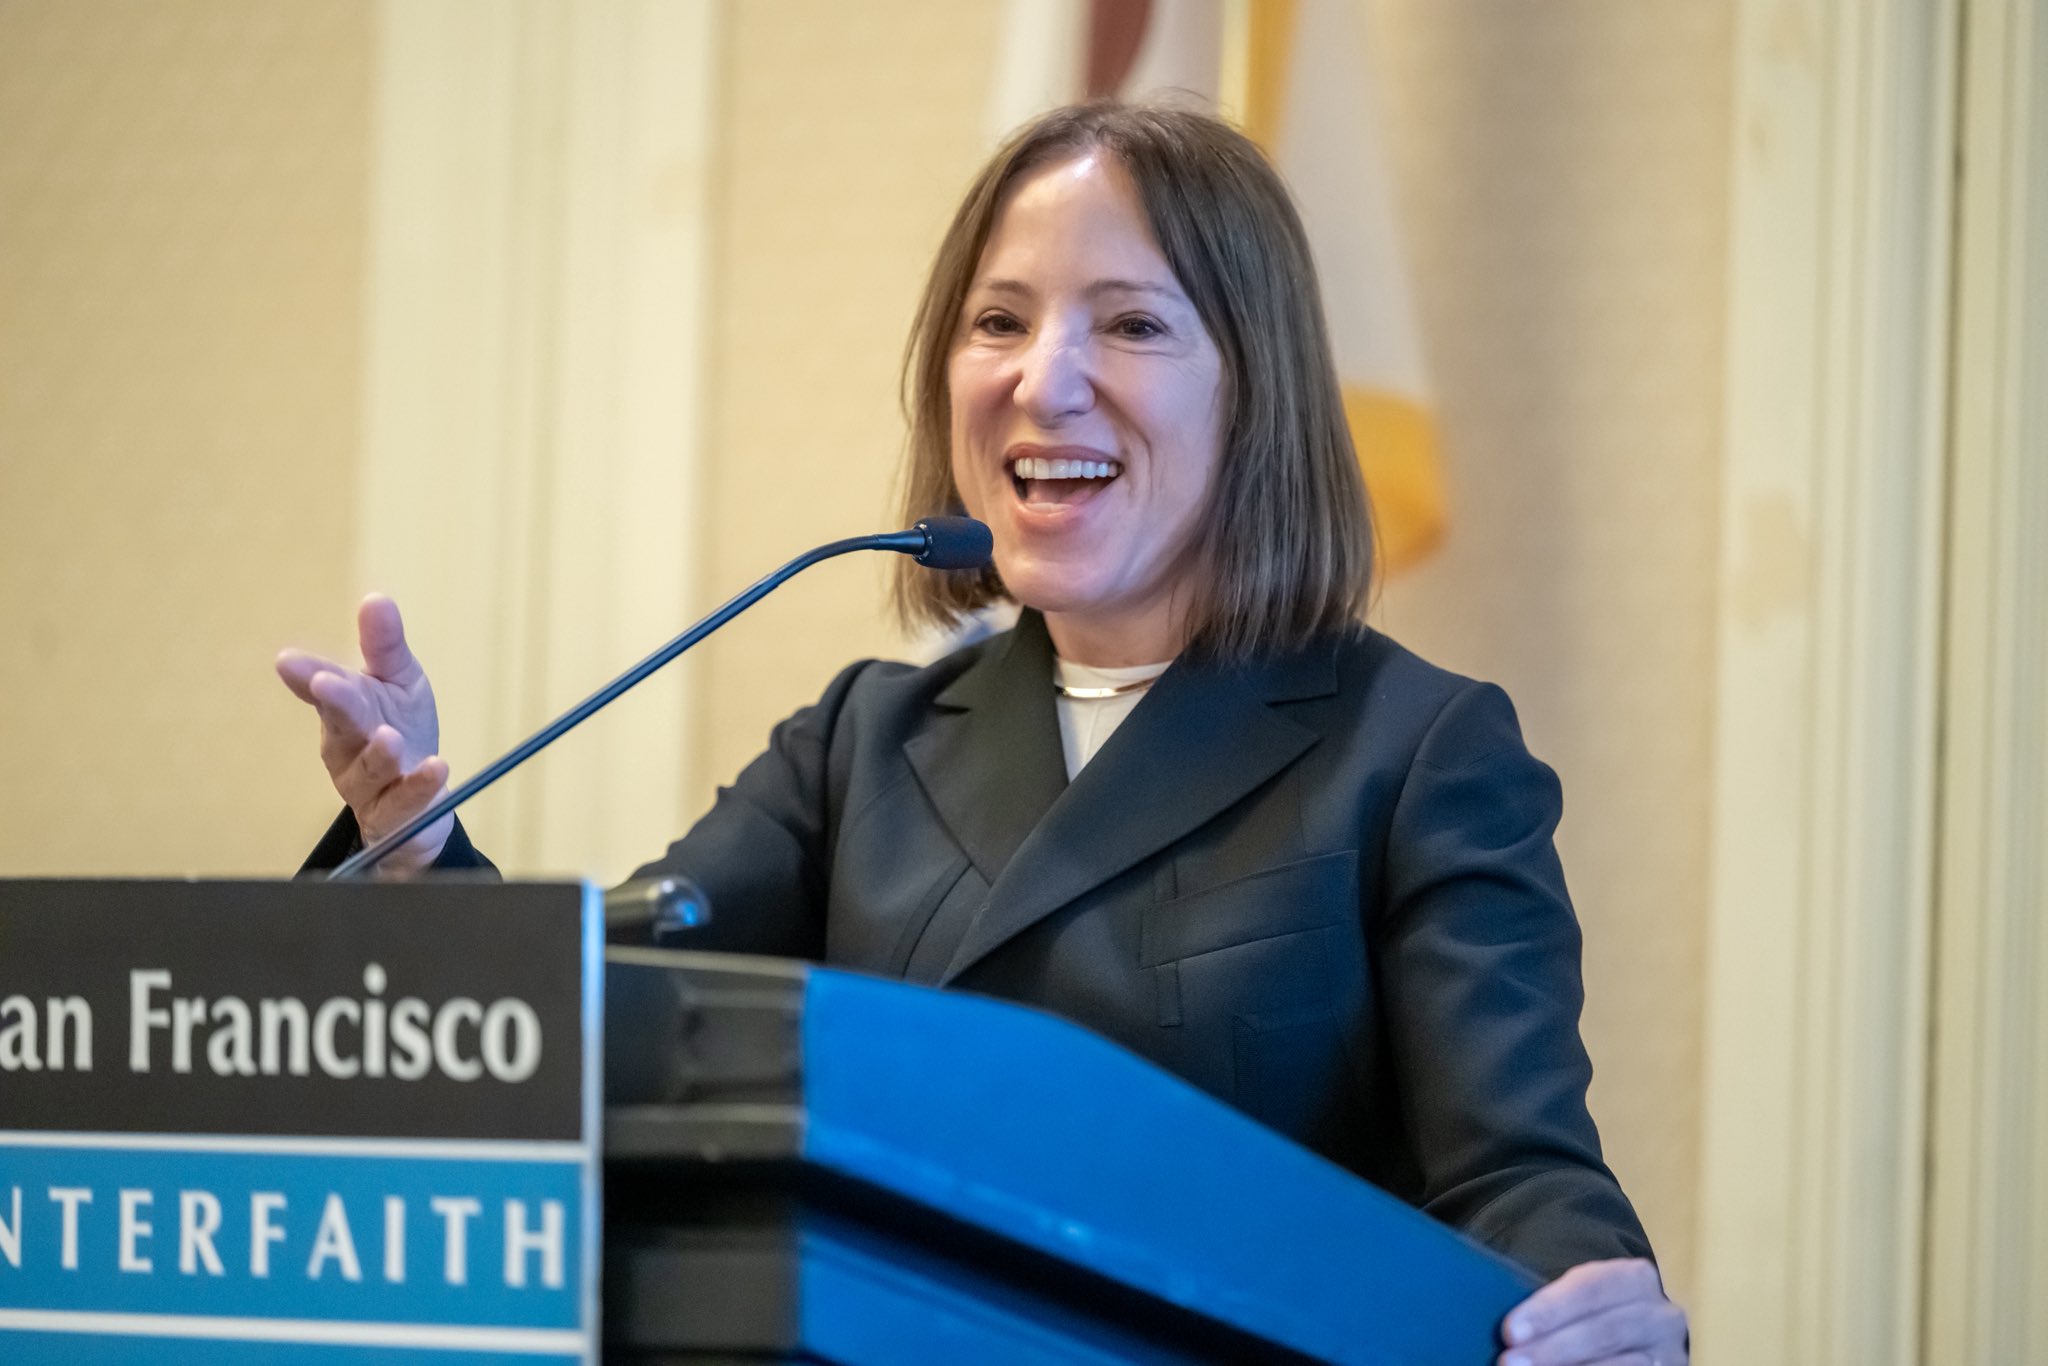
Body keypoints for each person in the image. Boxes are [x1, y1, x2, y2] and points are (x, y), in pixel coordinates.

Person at [279, 102, 1689, 1364]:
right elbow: (615, 1018)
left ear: (1251, 390)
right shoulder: (862, 742)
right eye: (999, 321)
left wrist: (1596, 1300)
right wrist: (425, 851)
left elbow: (1515, 1176)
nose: (1043, 377)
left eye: (1130, 323)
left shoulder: (1417, 750)